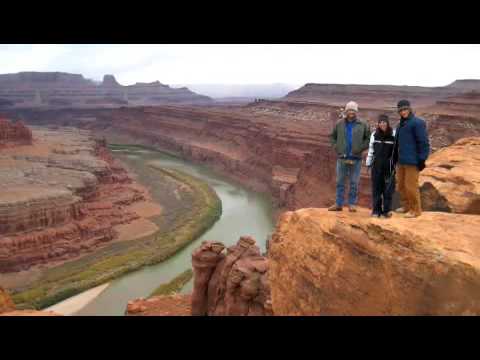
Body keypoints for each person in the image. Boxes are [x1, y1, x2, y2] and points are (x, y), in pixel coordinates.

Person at [329, 101, 371, 212]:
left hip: (356, 158)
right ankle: (339, 204)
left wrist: (360, 148)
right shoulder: (339, 123)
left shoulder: (363, 124)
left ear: (356, 111)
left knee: (354, 182)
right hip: (342, 158)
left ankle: (352, 204)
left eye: (353, 110)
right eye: (349, 110)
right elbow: (332, 137)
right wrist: (337, 147)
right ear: (346, 111)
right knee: (340, 182)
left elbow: (368, 138)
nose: (351, 112)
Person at [393, 100, 430, 218]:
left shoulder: (417, 123)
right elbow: (397, 143)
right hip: (401, 160)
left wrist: (422, 159)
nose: (403, 112)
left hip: (412, 161)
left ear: (409, 109)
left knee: (411, 186)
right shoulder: (400, 125)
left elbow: (423, 142)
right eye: (401, 110)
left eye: (405, 109)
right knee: (400, 186)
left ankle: (416, 210)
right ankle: (406, 206)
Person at [366, 115, 396, 218]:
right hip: (377, 165)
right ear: (378, 124)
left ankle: (386, 211)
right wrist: (368, 162)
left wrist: (396, 164)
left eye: (384, 122)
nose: (382, 124)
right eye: (380, 122)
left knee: (388, 189)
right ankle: (376, 211)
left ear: (387, 123)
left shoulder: (393, 134)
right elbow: (371, 149)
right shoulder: (374, 135)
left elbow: (397, 151)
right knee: (376, 189)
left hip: (389, 166)